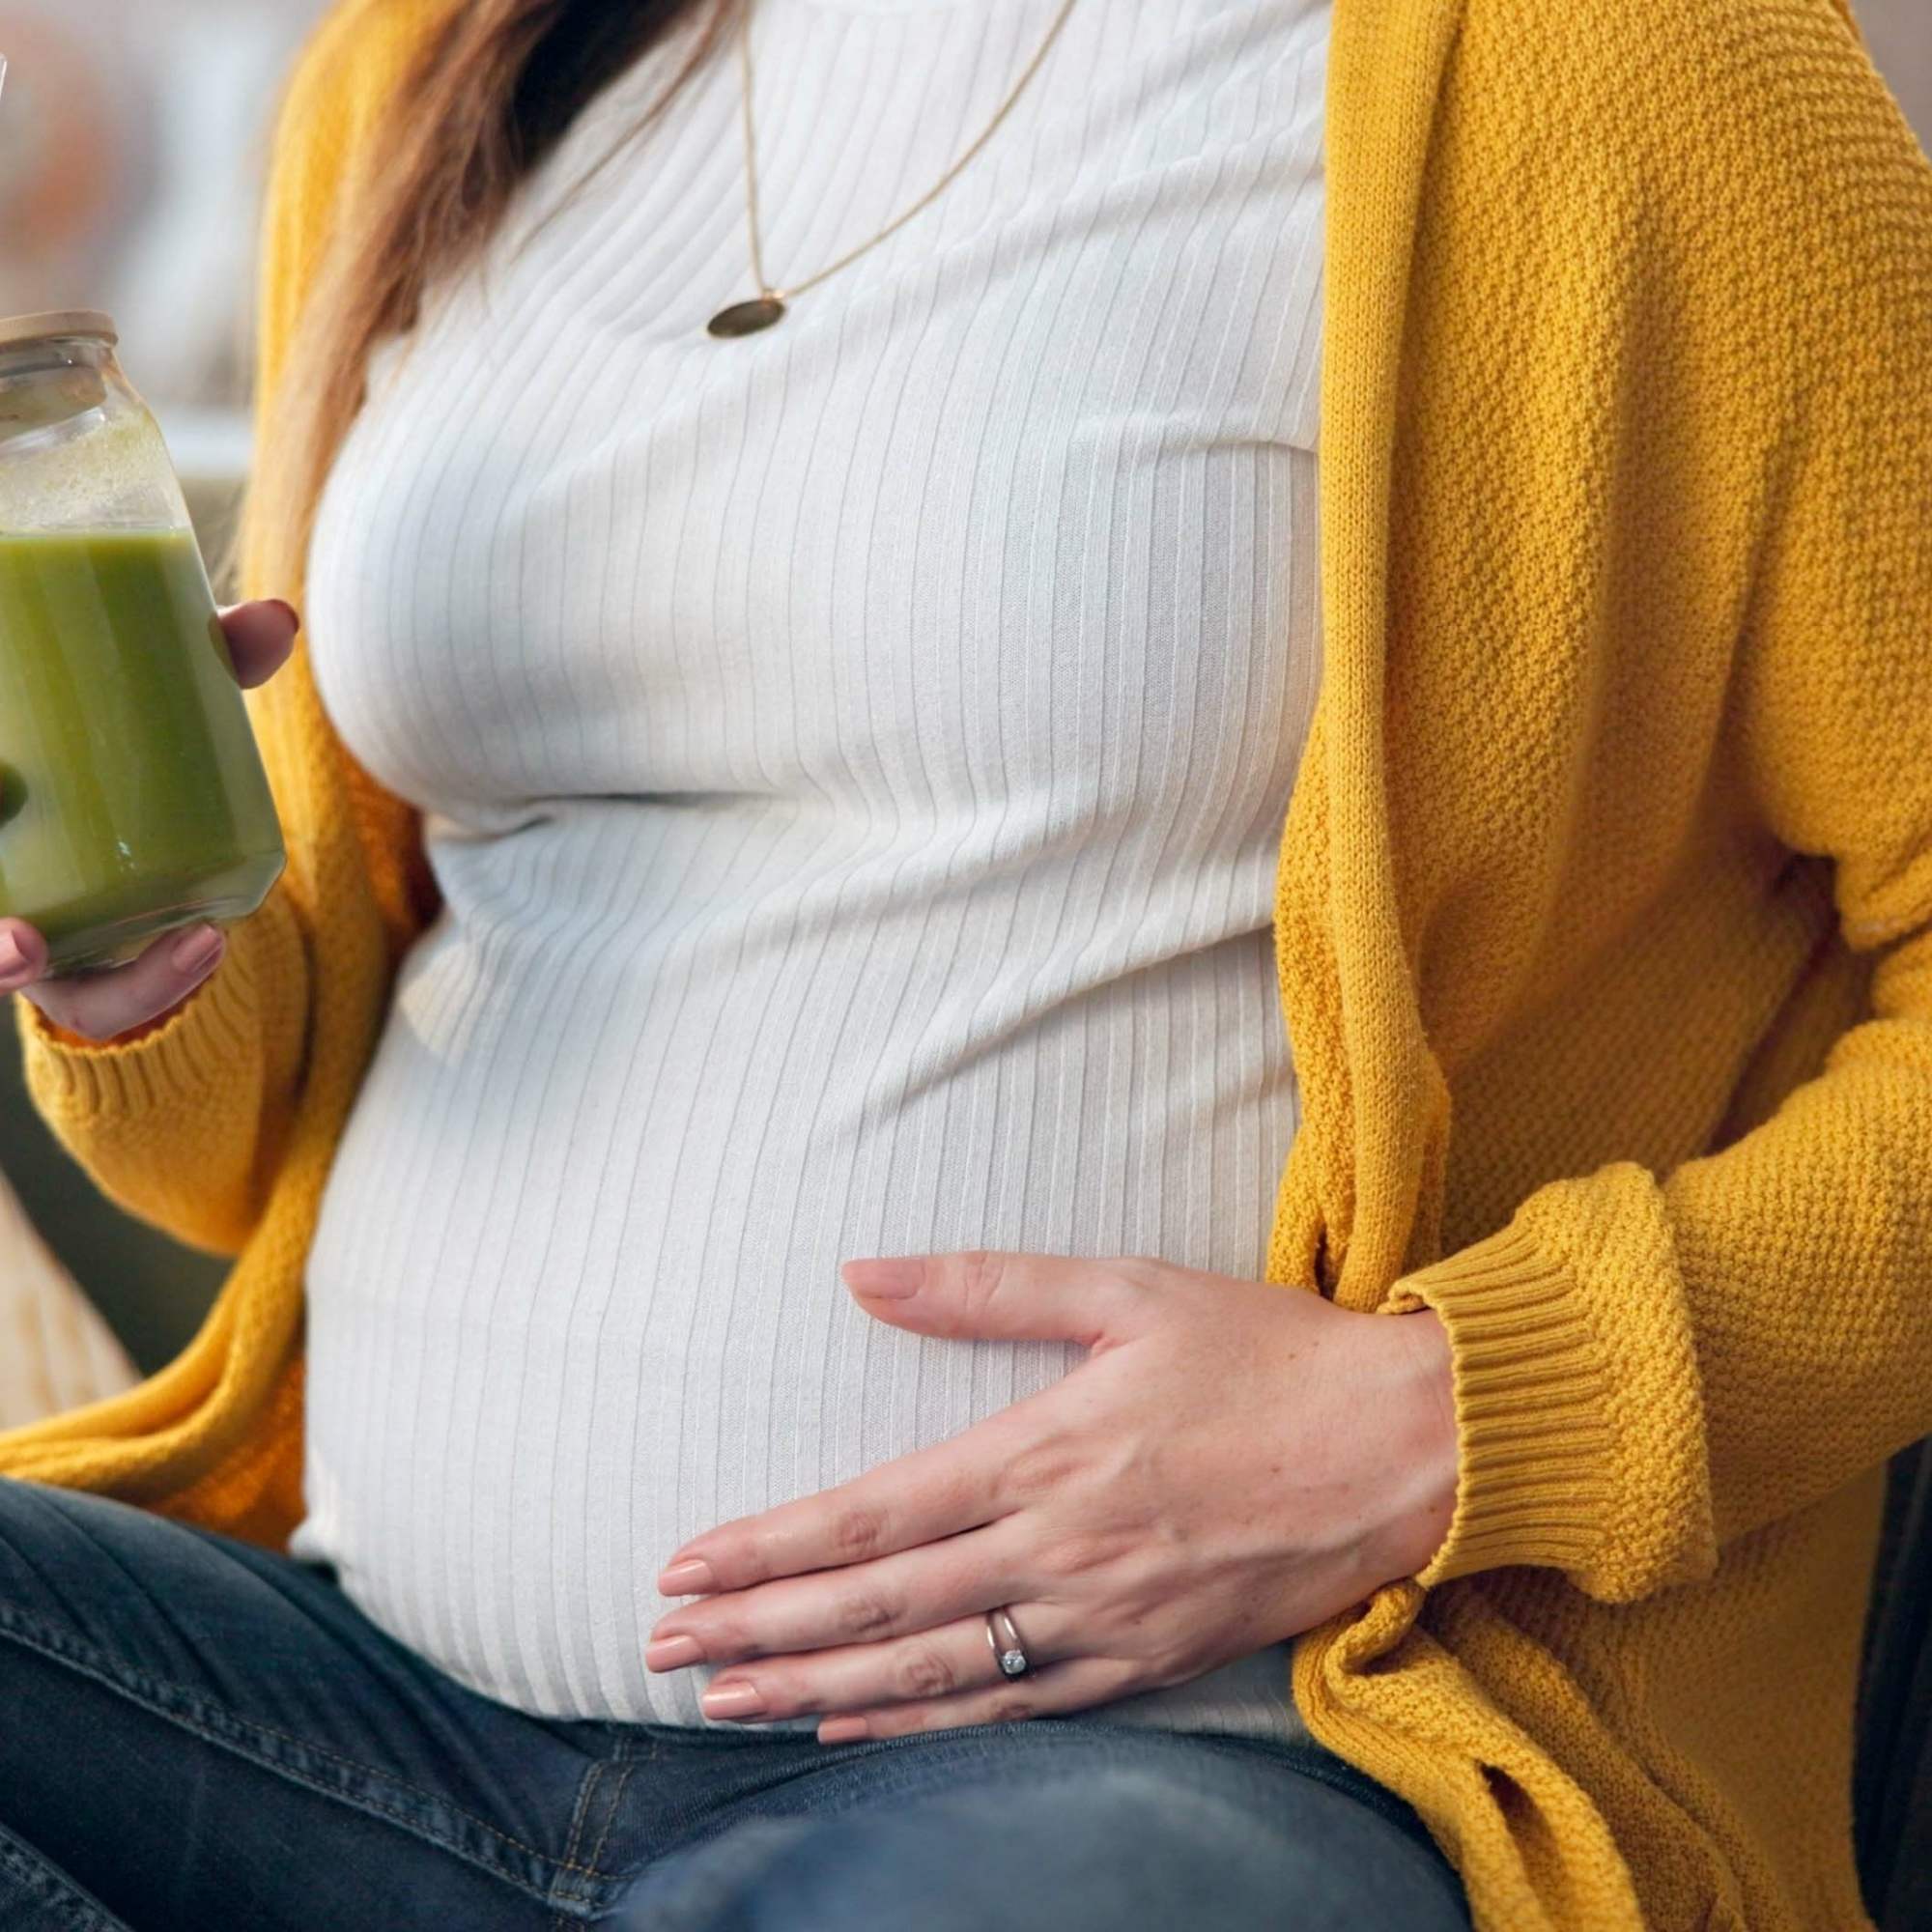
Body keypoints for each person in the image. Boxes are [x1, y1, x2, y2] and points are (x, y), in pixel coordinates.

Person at [0, 0, 1927, 1924]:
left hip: (1177, 1757)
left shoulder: (1608, 54)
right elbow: (258, 1117)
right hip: (351, 1708)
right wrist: (144, 974)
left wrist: (1450, 1416)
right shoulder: (428, 66)